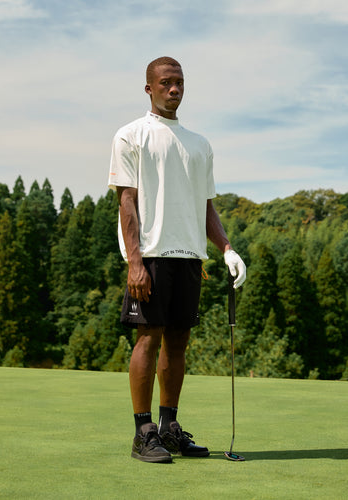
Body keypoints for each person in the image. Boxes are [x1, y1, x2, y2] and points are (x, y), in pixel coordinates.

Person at [108, 56, 246, 463]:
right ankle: (142, 433)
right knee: (148, 337)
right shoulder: (130, 135)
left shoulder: (200, 144)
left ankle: (169, 431)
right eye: (165, 83)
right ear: (149, 88)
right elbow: (126, 200)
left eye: (179, 83)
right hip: (150, 254)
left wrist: (226, 248)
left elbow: (206, 206)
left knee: (179, 343)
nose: (174, 89)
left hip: (189, 257)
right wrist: (134, 260)